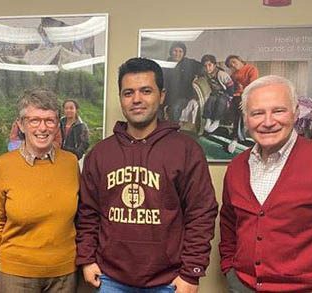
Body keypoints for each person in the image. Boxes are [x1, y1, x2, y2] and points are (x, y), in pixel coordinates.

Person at [76, 57, 218, 293]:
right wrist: (87, 259)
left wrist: (191, 272)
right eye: (128, 93)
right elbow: (88, 213)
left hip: (170, 281)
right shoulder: (100, 153)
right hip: (109, 278)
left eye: (146, 91)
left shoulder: (186, 150)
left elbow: (201, 213)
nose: (137, 99)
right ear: (121, 98)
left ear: (161, 96)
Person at [219, 75, 312, 293]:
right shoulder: (236, 167)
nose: (268, 121)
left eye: (278, 111)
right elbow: (228, 223)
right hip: (242, 287)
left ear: (296, 112)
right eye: (257, 113)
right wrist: (229, 269)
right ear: (245, 119)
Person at [0, 89, 79, 293]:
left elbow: (82, 218)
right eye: (34, 120)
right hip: (16, 275)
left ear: (57, 124)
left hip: (64, 274)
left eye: (49, 120)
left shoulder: (70, 163)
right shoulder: (3, 165)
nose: (43, 128)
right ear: (21, 125)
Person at [224, 55, 259, 153]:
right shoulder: (233, 75)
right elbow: (232, 88)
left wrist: (244, 99)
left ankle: (235, 138)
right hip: (237, 97)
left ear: (240, 60)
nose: (233, 66)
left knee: (240, 108)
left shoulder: (251, 69)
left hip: (251, 95)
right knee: (235, 107)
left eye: (234, 62)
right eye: (231, 65)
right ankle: (238, 136)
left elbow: (253, 87)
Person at [163, 42, 203, 121]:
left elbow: (203, 68)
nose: (177, 54)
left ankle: (174, 130)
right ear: (171, 52)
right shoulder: (166, 64)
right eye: (175, 51)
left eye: (180, 51)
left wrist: (198, 78)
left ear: (184, 53)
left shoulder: (189, 63)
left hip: (184, 96)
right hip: (168, 96)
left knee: (175, 108)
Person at [200, 54, 234, 133]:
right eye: (205, 66)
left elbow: (231, 86)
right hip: (214, 93)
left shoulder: (221, 74)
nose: (207, 68)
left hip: (225, 93)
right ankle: (208, 119)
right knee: (210, 100)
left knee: (221, 101)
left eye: (210, 65)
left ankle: (216, 121)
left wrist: (230, 98)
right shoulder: (206, 74)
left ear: (214, 65)